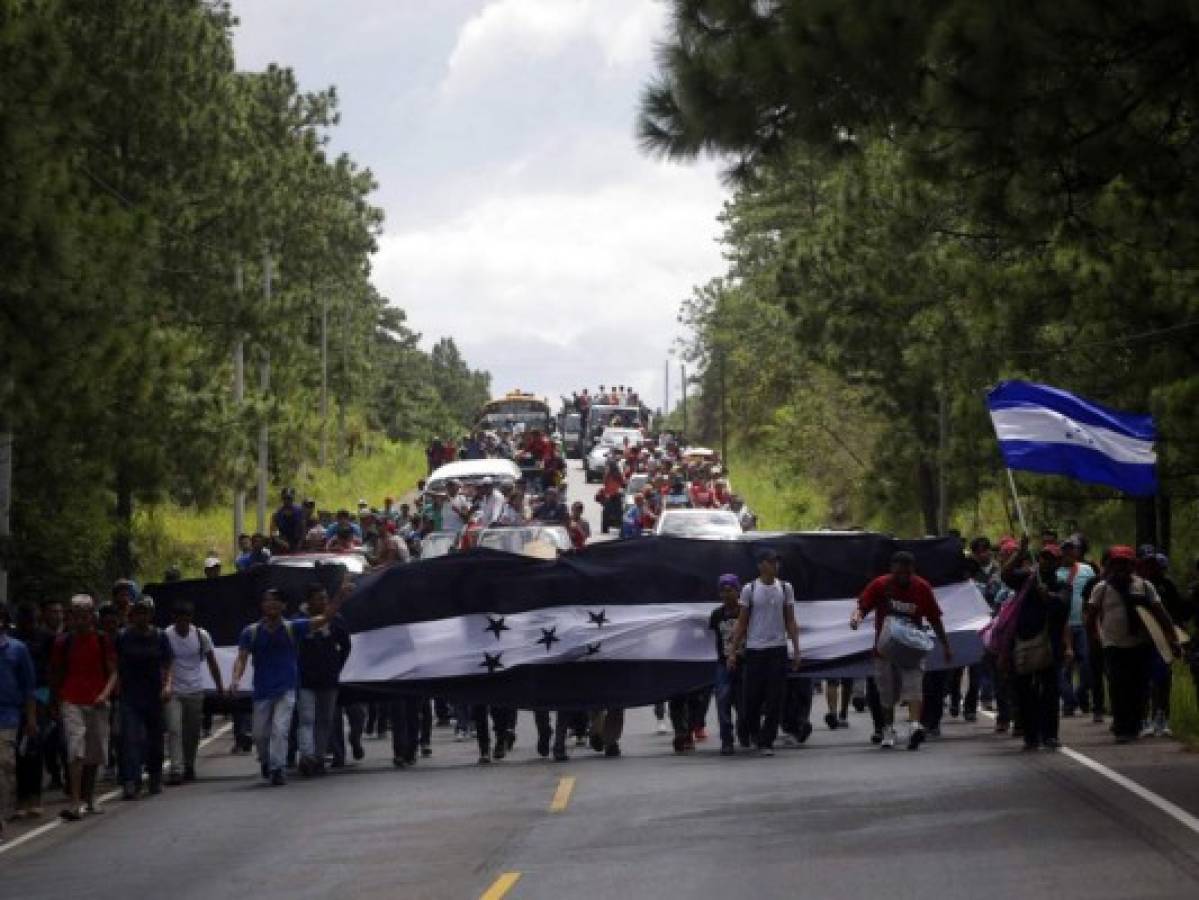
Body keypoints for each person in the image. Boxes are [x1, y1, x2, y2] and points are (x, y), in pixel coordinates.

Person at [229, 584, 347, 785]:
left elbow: (324, 618)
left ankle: (277, 768)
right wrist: (235, 679)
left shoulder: (294, 627)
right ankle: (266, 761)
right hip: (262, 691)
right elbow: (241, 658)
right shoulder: (251, 632)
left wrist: (340, 597)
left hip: (287, 689)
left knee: (280, 729)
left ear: (283, 606)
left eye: (276, 600)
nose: (271, 604)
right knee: (259, 735)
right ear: (262, 605)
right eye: (267, 600)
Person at [851, 551, 952, 750]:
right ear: (891, 570)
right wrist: (856, 618)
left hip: (912, 649)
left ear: (913, 571)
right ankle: (888, 728)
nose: (902, 577)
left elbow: (934, 618)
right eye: (898, 573)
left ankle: (915, 726)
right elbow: (862, 606)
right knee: (887, 694)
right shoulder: (880, 585)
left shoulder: (922, 588)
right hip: (885, 651)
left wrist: (946, 645)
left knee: (914, 687)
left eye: (906, 573)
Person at [1086, 546, 1180, 743]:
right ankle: (1122, 728)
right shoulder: (1101, 588)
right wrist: (1094, 637)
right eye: (1116, 563)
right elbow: (1091, 615)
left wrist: (1171, 637)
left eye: (1125, 563)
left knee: (1139, 687)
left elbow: (1161, 613)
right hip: (1113, 645)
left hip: (1140, 644)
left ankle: (1135, 724)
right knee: (1118, 687)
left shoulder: (1145, 586)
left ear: (1132, 565)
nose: (1121, 567)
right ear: (1110, 566)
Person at [49, 595, 118, 820]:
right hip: (71, 700)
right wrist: (55, 702)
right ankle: (75, 802)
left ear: (92, 616)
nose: (81, 619)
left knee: (94, 753)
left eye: (85, 614)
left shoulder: (102, 640)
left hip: (97, 701)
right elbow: (56, 675)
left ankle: (89, 798)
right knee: (75, 750)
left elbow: (114, 671)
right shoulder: (63, 642)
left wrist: (104, 694)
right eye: (76, 615)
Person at [728, 548, 801, 756]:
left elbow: (790, 620)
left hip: (777, 649)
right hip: (755, 650)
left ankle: (766, 741)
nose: (775, 565)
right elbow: (742, 623)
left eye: (777, 562)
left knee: (775, 698)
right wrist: (733, 651)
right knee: (751, 698)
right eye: (771, 562)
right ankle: (751, 731)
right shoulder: (749, 589)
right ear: (761, 565)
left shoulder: (786, 588)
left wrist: (796, 650)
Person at [1008, 547, 1072, 751]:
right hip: (1024, 642)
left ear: (1058, 563)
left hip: (1050, 645)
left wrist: (1048, 596)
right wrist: (1019, 553)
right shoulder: (1027, 579)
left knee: (1050, 693)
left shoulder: (1062, 584)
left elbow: (1063, 607)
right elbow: (1006, 574)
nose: (1046, 561)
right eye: (1043, 557)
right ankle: (1030, 736)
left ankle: (1050, 735)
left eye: (1051, 559)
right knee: (1025, 692)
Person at [115, 596, 173, 800]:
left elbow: (167, 664)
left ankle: (155, 776)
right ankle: (131, 780)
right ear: (133, 615)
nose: (142, 617)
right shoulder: (123, 637)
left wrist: (167, 685)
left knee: (154, 739)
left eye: (146, 613)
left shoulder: (160, 636)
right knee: (131, 739)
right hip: (130, 696)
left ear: (151, 615)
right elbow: (115, 666)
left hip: (154, 695)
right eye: (138, 612)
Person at [164, 600, 222, 785]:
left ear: (191, 619)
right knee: (174, 729)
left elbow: (212, 661)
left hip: (195, 690)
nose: (183, 623)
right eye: (179, 620)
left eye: (186, 619)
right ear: (174, 619)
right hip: (174, 690)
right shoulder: (166, 635)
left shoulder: (200, 635)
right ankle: (176, 769)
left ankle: (189, 764)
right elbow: (162, 662)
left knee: (192, 732)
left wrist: (219, 685)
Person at [296, 585, 351, 776]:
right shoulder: (298, 621)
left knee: (325, 719)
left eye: (326, 598)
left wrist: (336, 666)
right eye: (319, 598)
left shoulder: (336, 621)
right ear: (309, 601)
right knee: (307, 718)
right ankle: (307, 756)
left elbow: (346, 645)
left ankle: (319, 757)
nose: (323, 602)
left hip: (328, 679)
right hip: (304, 679)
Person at [0, 602, 37, 843]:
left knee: (4, 765)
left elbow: (29, 687)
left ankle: (2, 814)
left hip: (8, 715)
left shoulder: (17, 649)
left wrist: (31, 718)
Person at [1056, 538, 1096, 717]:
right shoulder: (1056, 572)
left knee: (1087, 664)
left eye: (1072, 549)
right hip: (1063, 625)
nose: (1069, 553)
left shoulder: (1087, 569)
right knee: (1065, 667)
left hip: (1083, 623)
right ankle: (1069, 701)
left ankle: (1081, 693)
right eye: (1065, 550)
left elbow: (1096, 591)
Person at [710, 575, 747, 755]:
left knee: (744, 701)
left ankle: (745, 731)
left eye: (730, 590)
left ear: (738, 591)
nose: (726, 594)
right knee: (722, 699)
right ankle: (726, 740)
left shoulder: (745, 612)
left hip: (744, 661)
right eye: (723, 591)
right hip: (723, 663)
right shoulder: (716, 615)